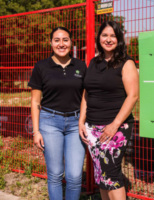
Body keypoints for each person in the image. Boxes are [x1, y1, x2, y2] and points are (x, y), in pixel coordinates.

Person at [79, 21, 139, 200]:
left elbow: (133, 96)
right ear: (99, 38)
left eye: (113, 36)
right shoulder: (93, 62)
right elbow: (87, 93)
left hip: (116, 127)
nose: (108, 39)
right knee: (101, 175)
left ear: (119, 39)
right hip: (92, 126)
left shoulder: (126, 63)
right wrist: (81, 121)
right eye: (105, 35)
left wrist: (114, 125)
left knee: (111, 174)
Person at [29, 27, 86, 200]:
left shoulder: (81, 66)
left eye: (65, 40)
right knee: (55, 174)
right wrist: (36, 131)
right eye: (57, 40)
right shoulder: (41, 67)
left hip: (76, 123)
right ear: (51, 43)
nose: (61, 44)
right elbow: (35, 101)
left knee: (75, 176)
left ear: (71, 42)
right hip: (49, 123)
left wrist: (82, 121)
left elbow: (86, 97)